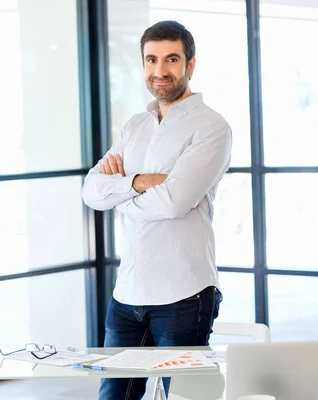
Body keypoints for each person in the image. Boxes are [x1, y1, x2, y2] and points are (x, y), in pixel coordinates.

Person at [82, 20, 232, 400]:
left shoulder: (212, 127)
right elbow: (91, 191)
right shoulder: (134, 126)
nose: (160, 70)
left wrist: (120, 197)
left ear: (190, 65)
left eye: (171, 59)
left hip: (183, 294)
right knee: (113, 397)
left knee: (185, 398)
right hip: (127, 294)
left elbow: (174, 203)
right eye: (151, 60)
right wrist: (138, 182)